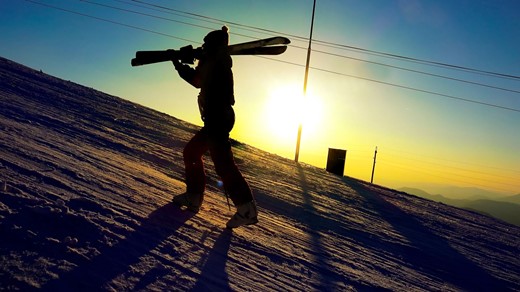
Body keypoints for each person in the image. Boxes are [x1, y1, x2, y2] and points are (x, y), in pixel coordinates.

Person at [171, 26, 258, 229]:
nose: (203, 46)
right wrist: (181, 62)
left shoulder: (217, 61)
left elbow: (198, 79)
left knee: (223, 164)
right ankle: (194, 196)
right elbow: (199, 79)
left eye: (206, 43)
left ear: (213, 45)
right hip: (217, 117)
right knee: (192, 153)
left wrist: (182, 62)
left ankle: (246, 209)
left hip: (219, 117)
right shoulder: (216, 61)